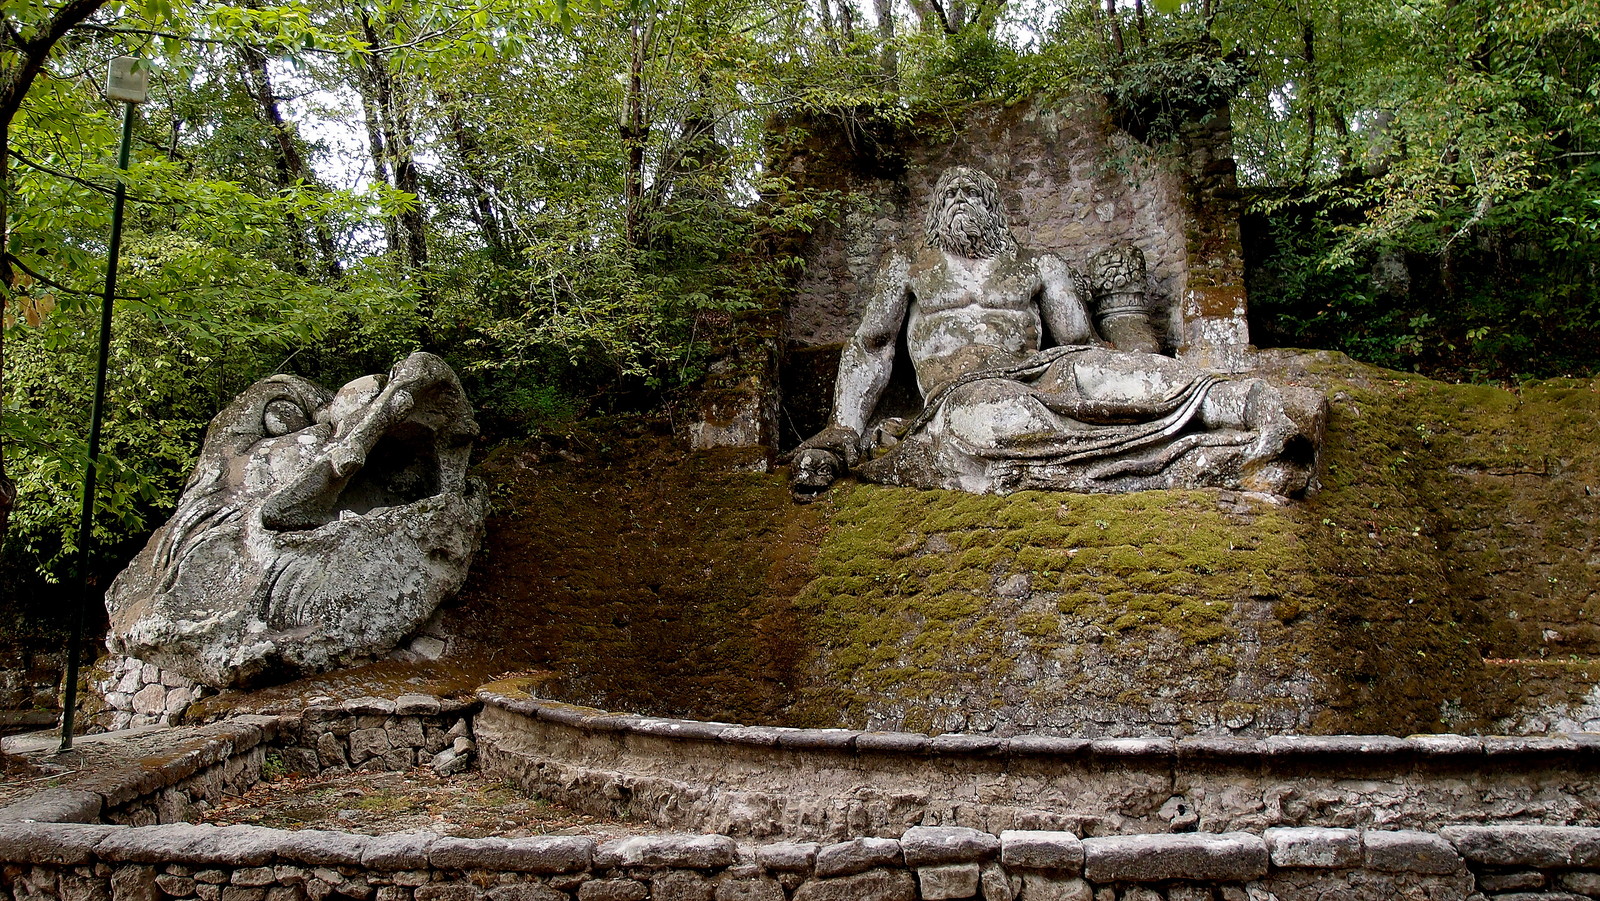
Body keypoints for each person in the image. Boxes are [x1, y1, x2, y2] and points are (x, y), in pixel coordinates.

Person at [787, 165, 1317, 497]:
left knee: (1105, 373)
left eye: (974, 191)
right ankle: (1191, 454)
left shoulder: (1037, 264)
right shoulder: (909, 263)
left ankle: (1245, 403)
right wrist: (843, 429)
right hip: (966, 389)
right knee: (996, 418)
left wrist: (1105, 345)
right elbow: (872, 346)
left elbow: (1078, 341)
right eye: (951, 193)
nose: (962, 197)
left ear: (996, 209)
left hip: (1045, 367)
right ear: (935, 211)